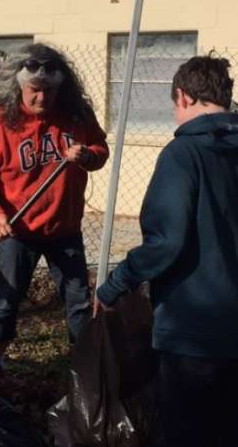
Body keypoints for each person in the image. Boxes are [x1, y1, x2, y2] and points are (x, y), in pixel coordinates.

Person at [96, 55, 238, 447]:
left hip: (195, 331)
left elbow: (166, 241)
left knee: (186, 431)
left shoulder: (182, 155)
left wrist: (114, 286)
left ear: (183, 96)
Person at [0, 43, 109, 394]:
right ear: (18, 86)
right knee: (6, 299)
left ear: (62, 87)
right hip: (17, 229)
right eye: (35, 91)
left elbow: (100, 148)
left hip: (64, 228)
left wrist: (87, 155)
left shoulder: (75, 116)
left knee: (77, 300)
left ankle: (83, 367)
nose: (42, 99)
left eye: (50, 91)